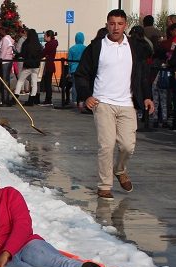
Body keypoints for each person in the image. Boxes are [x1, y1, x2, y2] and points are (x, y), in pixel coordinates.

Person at [74, 9, 154, 201]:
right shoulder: (96, 47)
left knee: (128, 146)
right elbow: (81, 74)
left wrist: (147, 96)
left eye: (119, 23)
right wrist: (86, 96)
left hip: (127, 103)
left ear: (125, 25)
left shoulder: (134, 47)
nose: (115, 27)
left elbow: (142, 75)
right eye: (112, 23)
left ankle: (120, 169)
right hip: (103, 103)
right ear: (107, 24)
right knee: (107, 145)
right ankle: (104, 186)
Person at [13, 29, 42, 107]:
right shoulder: (38, 44)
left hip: (27, 66)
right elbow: (41, 54)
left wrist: (16, 56)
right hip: (36, 66)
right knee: (34, 83)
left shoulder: (26, 43)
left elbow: (22, 53)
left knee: (20, 80)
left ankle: (15, 97)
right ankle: (31, 99)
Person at [67, 32, 86, 112]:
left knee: (74, 86)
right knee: (83, 86)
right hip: (84, 69)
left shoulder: (71, 49)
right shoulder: (86, 48)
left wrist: (69, 72)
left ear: (75, 39)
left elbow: (69, 62)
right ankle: (83, 101)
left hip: (74, 69)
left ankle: (74, 101)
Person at [0, 30, 15, 106]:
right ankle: (6, 98)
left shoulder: (5, 39)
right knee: (6, 80)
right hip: (8, 60)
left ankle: (5, 100)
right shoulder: (9, 39)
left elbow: (3, 51)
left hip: (4, 61)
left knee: (4, 81)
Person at [40, 30, 58, 106]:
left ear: (49, 36)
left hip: (48, 65)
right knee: (48, 82)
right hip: (50, 65)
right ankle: (48, 99)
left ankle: (48, 99)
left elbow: (43, 53)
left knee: (47, 83)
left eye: (45, 36)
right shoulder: (53, 43)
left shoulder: (49, 44)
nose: (44, 37)